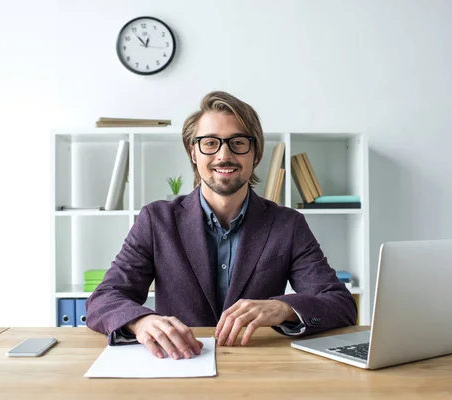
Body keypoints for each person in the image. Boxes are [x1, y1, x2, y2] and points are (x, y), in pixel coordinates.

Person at [85, 91, 357, 360]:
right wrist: (141, 321)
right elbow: (104, 299)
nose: (223, 155)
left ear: (256, 153)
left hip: (257, 368)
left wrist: (282, 308)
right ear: (193, 152)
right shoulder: (156, 220)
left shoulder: (288, 224)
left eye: (238, 142)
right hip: (179, 366)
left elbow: (340, 304)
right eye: (210, 143)